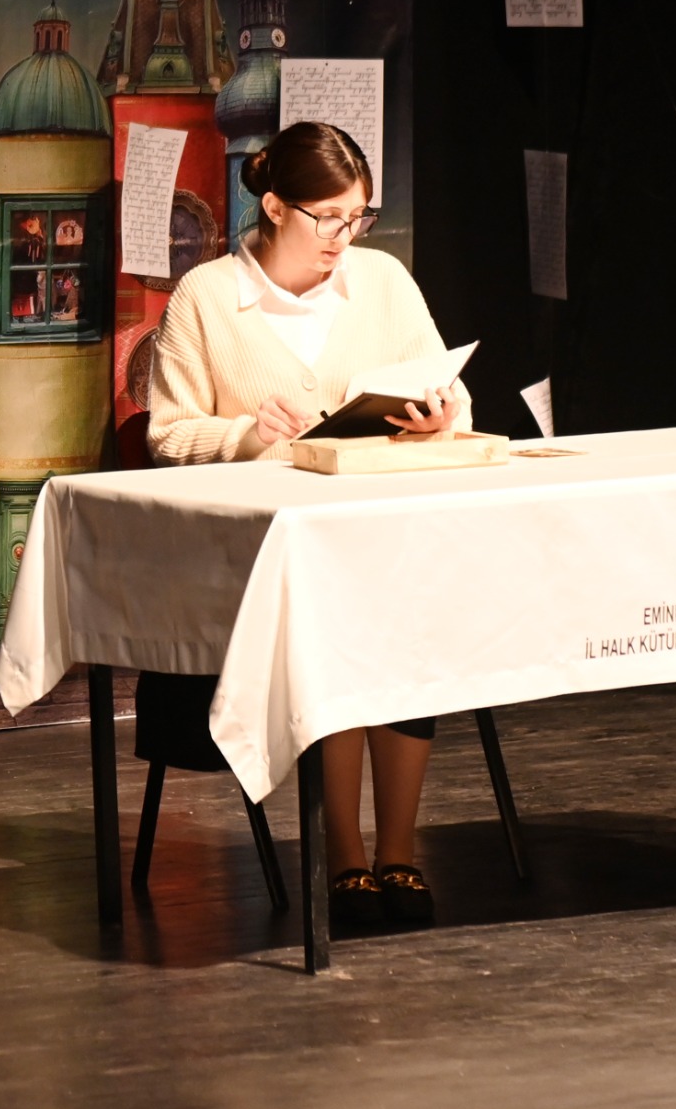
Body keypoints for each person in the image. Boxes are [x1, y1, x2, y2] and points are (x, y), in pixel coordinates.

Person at [144, 121, 471, 932]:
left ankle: (399, 851)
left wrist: (440, 417)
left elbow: (453, 395)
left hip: (376, 533)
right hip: (264, 551)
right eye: (327, 218)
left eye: (358, 217)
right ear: (275, 207)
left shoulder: (383, 281)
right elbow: (166, 435)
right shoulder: (208, 296)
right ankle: (344, 854)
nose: (343, 237)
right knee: (343, 616)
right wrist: (246, 434)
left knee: (403, 613)